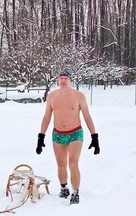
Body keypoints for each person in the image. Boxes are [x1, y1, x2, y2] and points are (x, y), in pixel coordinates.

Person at [35, 71, 99, 204]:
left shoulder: (79, 96)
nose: (63, 80)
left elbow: (87, 116)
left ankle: (75, 192)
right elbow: (47, 116)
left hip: (75, 133)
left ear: (70, 81)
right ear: (58, 80)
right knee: (61, 165)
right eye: (61, 78)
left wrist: (94, 136)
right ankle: (64, 188)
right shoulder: (51, 96)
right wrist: (41, 136)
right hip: (57, 134)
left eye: (66, 78)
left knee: (73, 163)